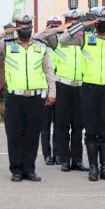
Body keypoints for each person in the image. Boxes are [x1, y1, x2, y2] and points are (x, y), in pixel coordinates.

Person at [0, 14, 56, 182]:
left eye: (28, 27)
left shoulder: (40, 45)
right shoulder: (7, 45)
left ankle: (29, 169)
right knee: (15, 134)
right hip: (15, 98)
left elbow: (49, 71)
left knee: (32, 135)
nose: (25, 30)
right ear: (16, 28)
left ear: (31, 27)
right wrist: (4, 32)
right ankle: (16, 169)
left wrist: (52, 93)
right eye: (21, 27)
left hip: (36, 97)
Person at [60, 6, 105, 182]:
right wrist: (84, 24)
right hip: (88, 88)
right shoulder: (85, 37)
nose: (103, 25)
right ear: (95, 22)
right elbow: (63, 39)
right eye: (99, 22)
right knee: (90, 130)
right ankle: (93, 168)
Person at [37, 9, 88, 172]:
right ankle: (65, 160)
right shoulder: (56, 39)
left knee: (78, 126)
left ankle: (77, 160)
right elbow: (38, 37)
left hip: (79, 86)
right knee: (62, 125)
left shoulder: (83, 39)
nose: (76, 26)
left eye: (77, 22)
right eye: (72, 22)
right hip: (62, 86)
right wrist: (59, 29)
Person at [38, 15, 62, 166]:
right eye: (51, 28)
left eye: (57, 28)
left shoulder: (63, 45)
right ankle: (47, 154)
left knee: (59, 124)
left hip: (61, 87)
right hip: (45, 88)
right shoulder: (40, 46)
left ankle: (58, 154)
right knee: (45, 125)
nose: (54, 32)